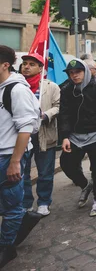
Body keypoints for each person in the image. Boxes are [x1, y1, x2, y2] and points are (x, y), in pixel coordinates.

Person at [0, 46, 40, 267]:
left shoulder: (16, 90)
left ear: (5, 64)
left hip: (8, 157)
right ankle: (25, 219)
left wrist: (15, 161)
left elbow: (26, 128)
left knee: (12, 206)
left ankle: (6, 247)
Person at [59, 59, 96, 217]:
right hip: (75, 136)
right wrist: (65, 137)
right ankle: (85, 185)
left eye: (78, 72)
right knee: (66, 164)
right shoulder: (67, 89)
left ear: (86, 71)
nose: (74, 76)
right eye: (71, 73)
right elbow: (64, 114)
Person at [20, 53, 60, 217]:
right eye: (24, 64)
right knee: (24, 173)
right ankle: (26, 203)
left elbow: (58, 106)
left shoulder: (51, 87)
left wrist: (45, 115)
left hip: (44, 134)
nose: (26, 67)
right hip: (23, 136)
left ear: (40, 68)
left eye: (31, 64)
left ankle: (44, 202)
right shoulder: (18, 86)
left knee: (45, 172)